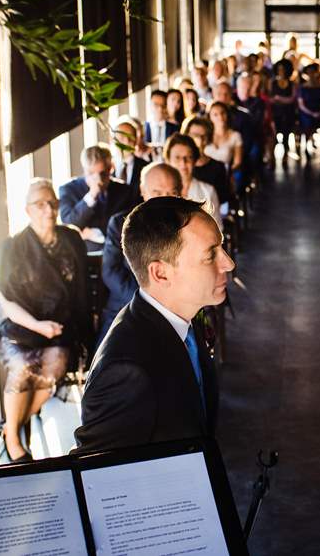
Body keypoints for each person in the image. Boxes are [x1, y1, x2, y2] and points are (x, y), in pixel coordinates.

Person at [74, 197, 235, 452]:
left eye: (222, 249)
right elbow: (98, 475)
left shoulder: (185, 317)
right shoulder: (124, 371)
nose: (228, 263)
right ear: (160, 273)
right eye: (210, 255)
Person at [0, 178, 91, 461]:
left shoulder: (71, 238)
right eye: (40, 204)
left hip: (60, 326)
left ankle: (18, 418)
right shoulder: (12, 247)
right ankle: (13, 435)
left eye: (52, 203)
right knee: (23, 366)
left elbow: (82, 290)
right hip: (18, 325)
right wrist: (37, 326)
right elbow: (5, 301)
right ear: (27, 210)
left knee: (55, 365)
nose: (48, 209)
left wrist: (86, 334)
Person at [99, 163, 181, 341]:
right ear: (143, 191)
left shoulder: (188, 226)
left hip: (173, 308)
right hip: (126, 304)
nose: (164, 201)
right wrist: (149, 302)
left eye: (172, 193)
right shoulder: (120, 223)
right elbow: (110, 272)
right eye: (157, 193)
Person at [59, 144, 133, 252]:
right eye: (91, 173)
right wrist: (92, 195)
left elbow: (127, 228)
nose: (98, 180)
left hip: (118, 253)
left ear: (110, 169)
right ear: (84, 170)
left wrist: (95, 234)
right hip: (85, 253)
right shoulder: (68, 189)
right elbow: (70, 225)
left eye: (102, 173)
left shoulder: (124, 191)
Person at [165, 133, 222, 230]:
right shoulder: (159, 192)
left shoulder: (208, 191)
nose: (183, 163)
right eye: (177, 158)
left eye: (189, 157)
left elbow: (218, 229)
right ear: (168, 160)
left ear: (195, 161)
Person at [184, 117, 232, 206]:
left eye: (204, 136)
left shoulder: (218, 167)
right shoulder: (179, 166)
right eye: (195, 135)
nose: (200, 140)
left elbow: (222, 201)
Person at [112, 116, 150, 206]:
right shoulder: (107, 166)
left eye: (130, 137)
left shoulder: (146, 167)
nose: (126, 141)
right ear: (113, 139)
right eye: (122, 137)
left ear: (136, 140)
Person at [207, 101, 245, 189]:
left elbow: (237, 162)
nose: (220, 117)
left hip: (226, 173)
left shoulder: (235, 135)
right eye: (215, 114)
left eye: (222, 113)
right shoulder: (206, 135)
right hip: (206, 173)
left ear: (227, 114)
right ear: (210, 117)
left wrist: (225, 173)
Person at [271, 58, 298, 156]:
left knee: (286, 135)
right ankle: (272, 158)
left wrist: (278, 98)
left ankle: (285, 156)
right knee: (274, 136)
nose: (281, 72)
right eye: (279, 69)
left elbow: (293, 99)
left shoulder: (292, 84)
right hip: (275, 113)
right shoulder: (272, 83)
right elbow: (270, 99)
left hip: (288, 113)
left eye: (283, 69)